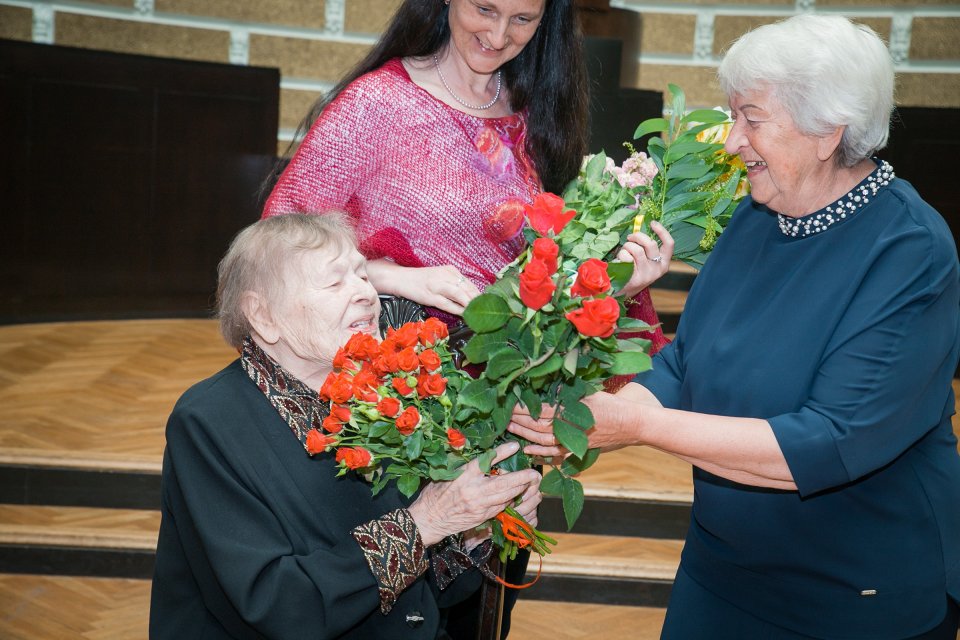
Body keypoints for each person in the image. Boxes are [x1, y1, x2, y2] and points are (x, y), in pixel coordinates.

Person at [508, 14, 960, 640]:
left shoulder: (908, 252)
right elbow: (683, 360)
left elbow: (828, 442)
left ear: (828, 132)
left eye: (752, 119)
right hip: (722, 573)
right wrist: (587, 420)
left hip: (852, 591)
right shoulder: (759, 213)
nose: (731, 141)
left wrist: (638, 425)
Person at [149, 214, 543, 639]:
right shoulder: (210, 421)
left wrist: (474, 532)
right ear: (263, 317)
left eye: (362, 275)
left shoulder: (387, 399)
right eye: (336, 283)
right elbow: (271, 603)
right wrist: (424, 524)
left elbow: (428, 599)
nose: (366, 294)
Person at [261, 0, 670, 344]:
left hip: (511, 378)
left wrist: (619, 281)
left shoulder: (540, 115)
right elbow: (278, 241)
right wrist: (392, 277)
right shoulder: (377, 102)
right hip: (402, 382)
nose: (497, 36)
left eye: (522, 20)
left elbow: (548, 275)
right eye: (484, 9)